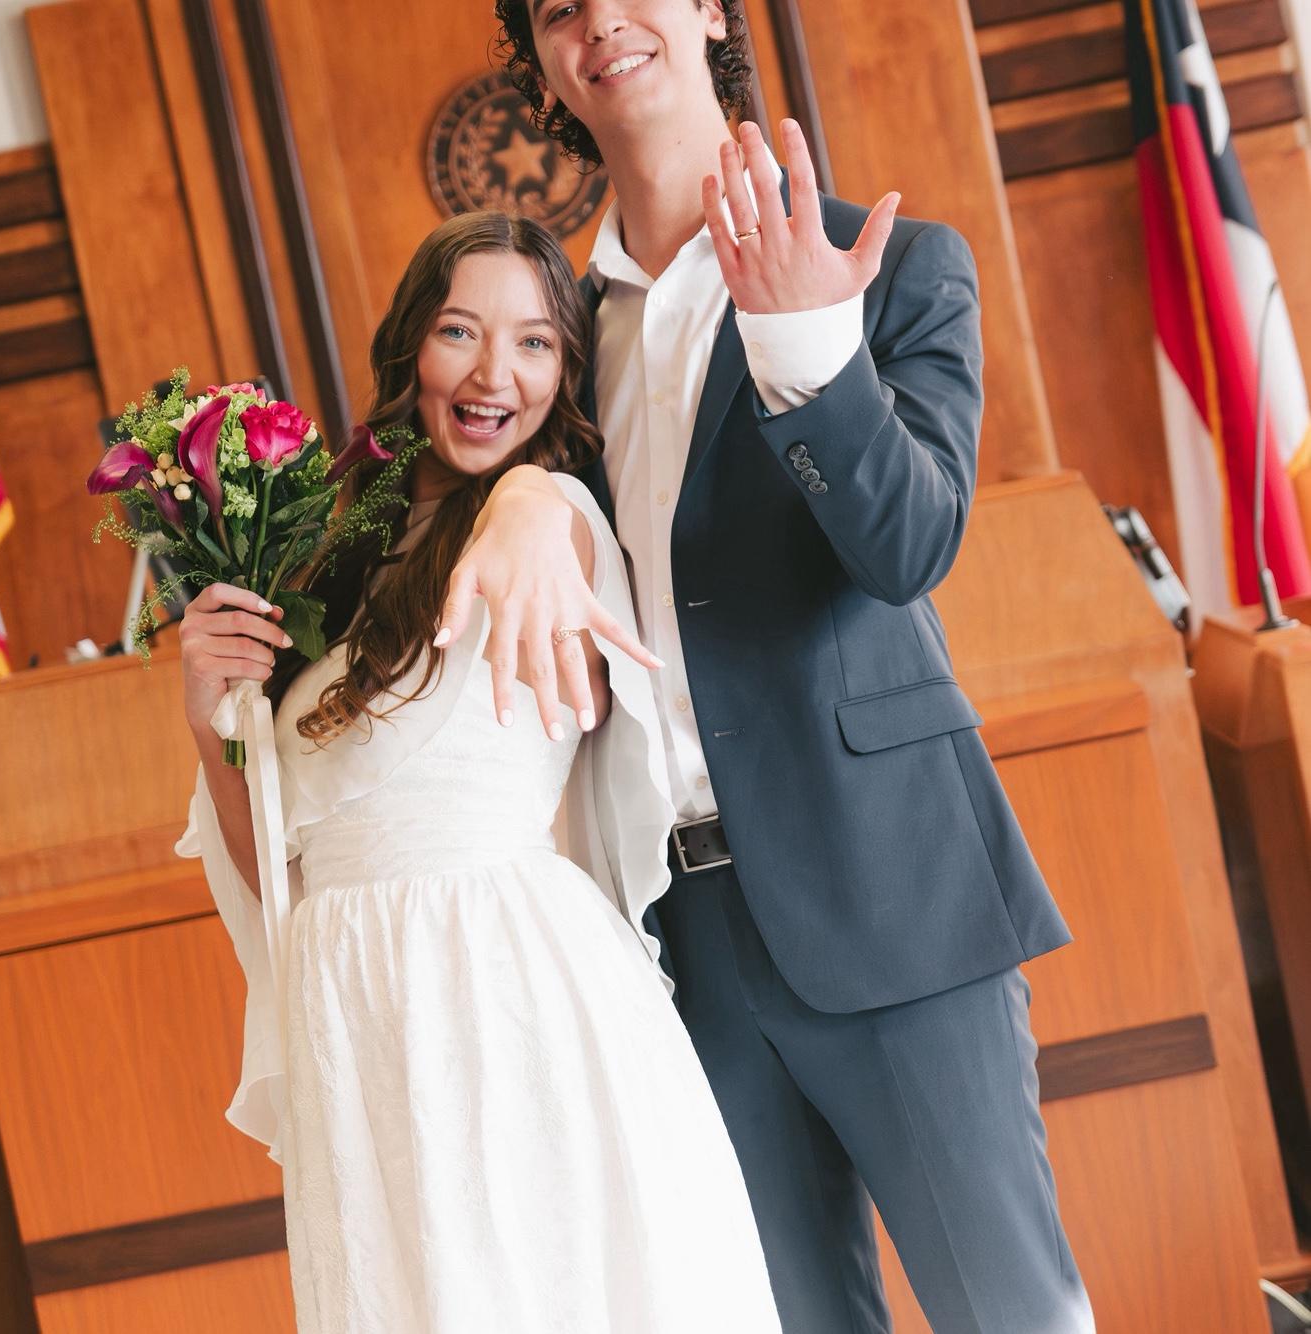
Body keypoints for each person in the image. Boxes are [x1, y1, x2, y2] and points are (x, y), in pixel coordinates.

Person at [430, 2, 1097, 1330]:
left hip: (889, 891)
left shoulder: (894, 267)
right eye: (556, 8)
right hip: (676, 939)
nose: (597, 19)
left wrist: (807, 351)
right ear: (543, 61)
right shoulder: (551, 338)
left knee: (1011, 1312)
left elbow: (906, 546)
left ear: (710, 12)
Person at [176, 210, 782, 1333]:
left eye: (535, 342)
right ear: (411, 342)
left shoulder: (547, 514)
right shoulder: (338, 555)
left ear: (566, 370)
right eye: (460, 330)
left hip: (493, 980)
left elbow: (547, 531)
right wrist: (212, 710)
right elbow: (276, 870)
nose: (494, 373)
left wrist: (528, 495)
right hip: (352, 997)